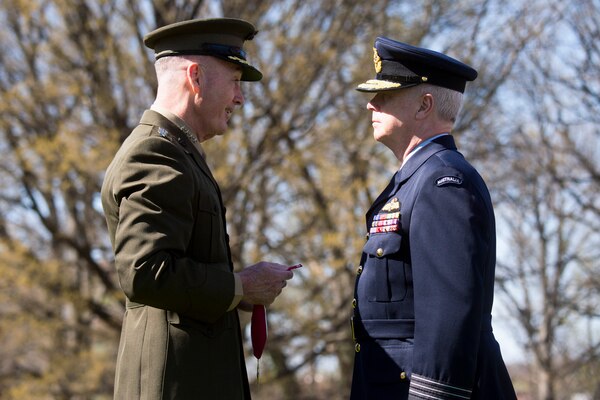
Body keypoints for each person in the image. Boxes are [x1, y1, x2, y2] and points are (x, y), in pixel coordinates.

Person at [101, 18, 296, 399]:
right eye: (235, 81)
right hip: (174, 385)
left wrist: (238, 290)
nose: (240, 98)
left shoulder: (177, 151)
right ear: (195, 77)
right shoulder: (154, 153)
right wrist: (241, 286)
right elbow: (145, 272)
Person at [349, 37, 517, 399]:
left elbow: (448, 317)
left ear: (425, 105)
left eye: (385, 96)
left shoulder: (443, 183)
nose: (370, 104)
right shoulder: (416, 180)